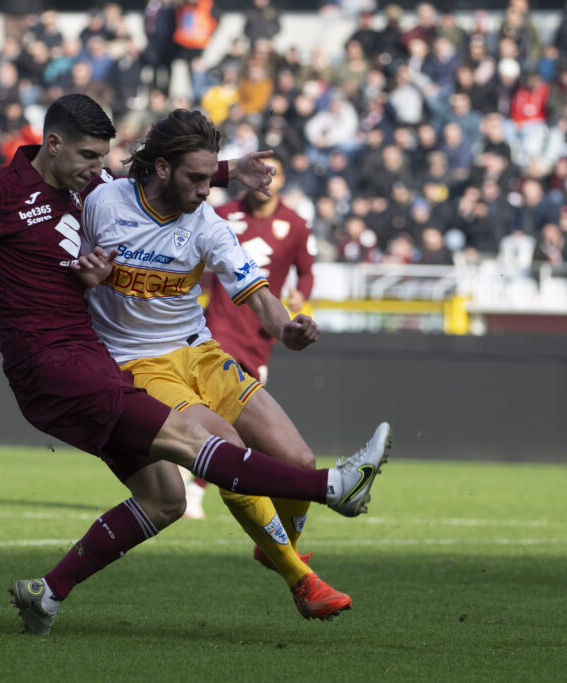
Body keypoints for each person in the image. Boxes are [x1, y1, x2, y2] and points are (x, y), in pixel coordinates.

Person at [0, 94, 390, 635]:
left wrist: (231, 179)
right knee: (205, 443)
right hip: (74, 368)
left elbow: (155, 181)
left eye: (103, 157)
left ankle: (47, 593)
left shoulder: (91, 188)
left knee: (166, 501)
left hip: (128, 358)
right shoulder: (20, 195)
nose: (97, 167)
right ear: (52, 145)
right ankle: (330, 496)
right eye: (86, 156)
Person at [80, 111, 374, 620]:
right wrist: (84, 277)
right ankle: (300, 579)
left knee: (300, 463)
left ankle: (272, 543)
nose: (205, 190)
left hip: (202, 353)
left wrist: (287, 330)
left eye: (209, 177)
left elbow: (259, 296)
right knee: (228, 452)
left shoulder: (207, 224)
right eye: (197, 178)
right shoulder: (104, 203)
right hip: (139, 364)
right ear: (164, 169)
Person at [182, 156, 313, 519]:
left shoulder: (297, 225)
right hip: (219, 323)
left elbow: (306, 272)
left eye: (276, 172)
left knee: (243, 416)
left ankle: (197, 474)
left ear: (283, 179)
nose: (267, 179)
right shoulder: (222, 213)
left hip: (261, 330)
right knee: (215, 406)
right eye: (262, 171)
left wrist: (301, 294)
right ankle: (192, 485)